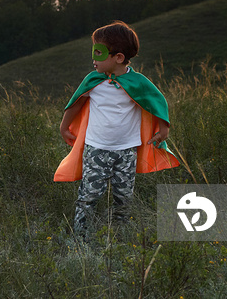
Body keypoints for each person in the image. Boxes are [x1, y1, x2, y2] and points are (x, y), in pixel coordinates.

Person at [54, 21, 179, 238]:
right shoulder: (93, 80)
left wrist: (163, 128)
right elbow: (75, 102)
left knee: (124, 197)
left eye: (99, 53)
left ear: (118, 57)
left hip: (127, 150)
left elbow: (157, 102)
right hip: (96, 150)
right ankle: (81, 237)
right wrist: (64, 127)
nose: (93, 59)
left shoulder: (137, 82)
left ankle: (119, 236)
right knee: (89, 194)